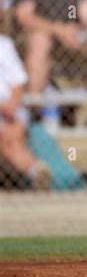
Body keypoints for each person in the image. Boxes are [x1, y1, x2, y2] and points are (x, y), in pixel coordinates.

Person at [0, 14, 50, 189]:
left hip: (8, 110)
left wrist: (11, 105)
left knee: (10, 139)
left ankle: (37, 171)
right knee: (6, 138)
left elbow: (18, 81)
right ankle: (33, 169)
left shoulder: (3, 44)